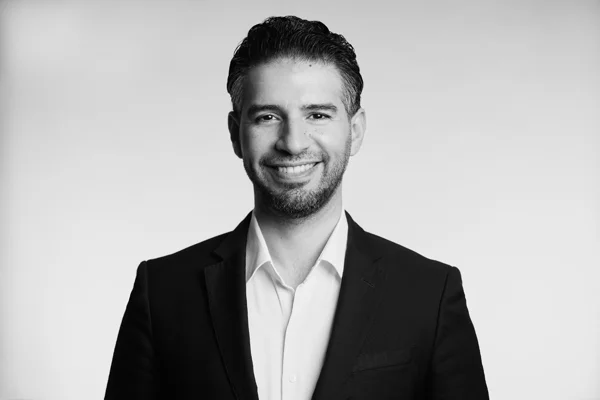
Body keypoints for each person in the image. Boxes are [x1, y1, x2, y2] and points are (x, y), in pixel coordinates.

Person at [105, 15, 489, 400]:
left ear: (355, 130)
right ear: (236, 134)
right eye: (268, 117)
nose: (293, 142)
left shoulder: (429, 295)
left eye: (317, 115)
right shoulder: (163, 292)